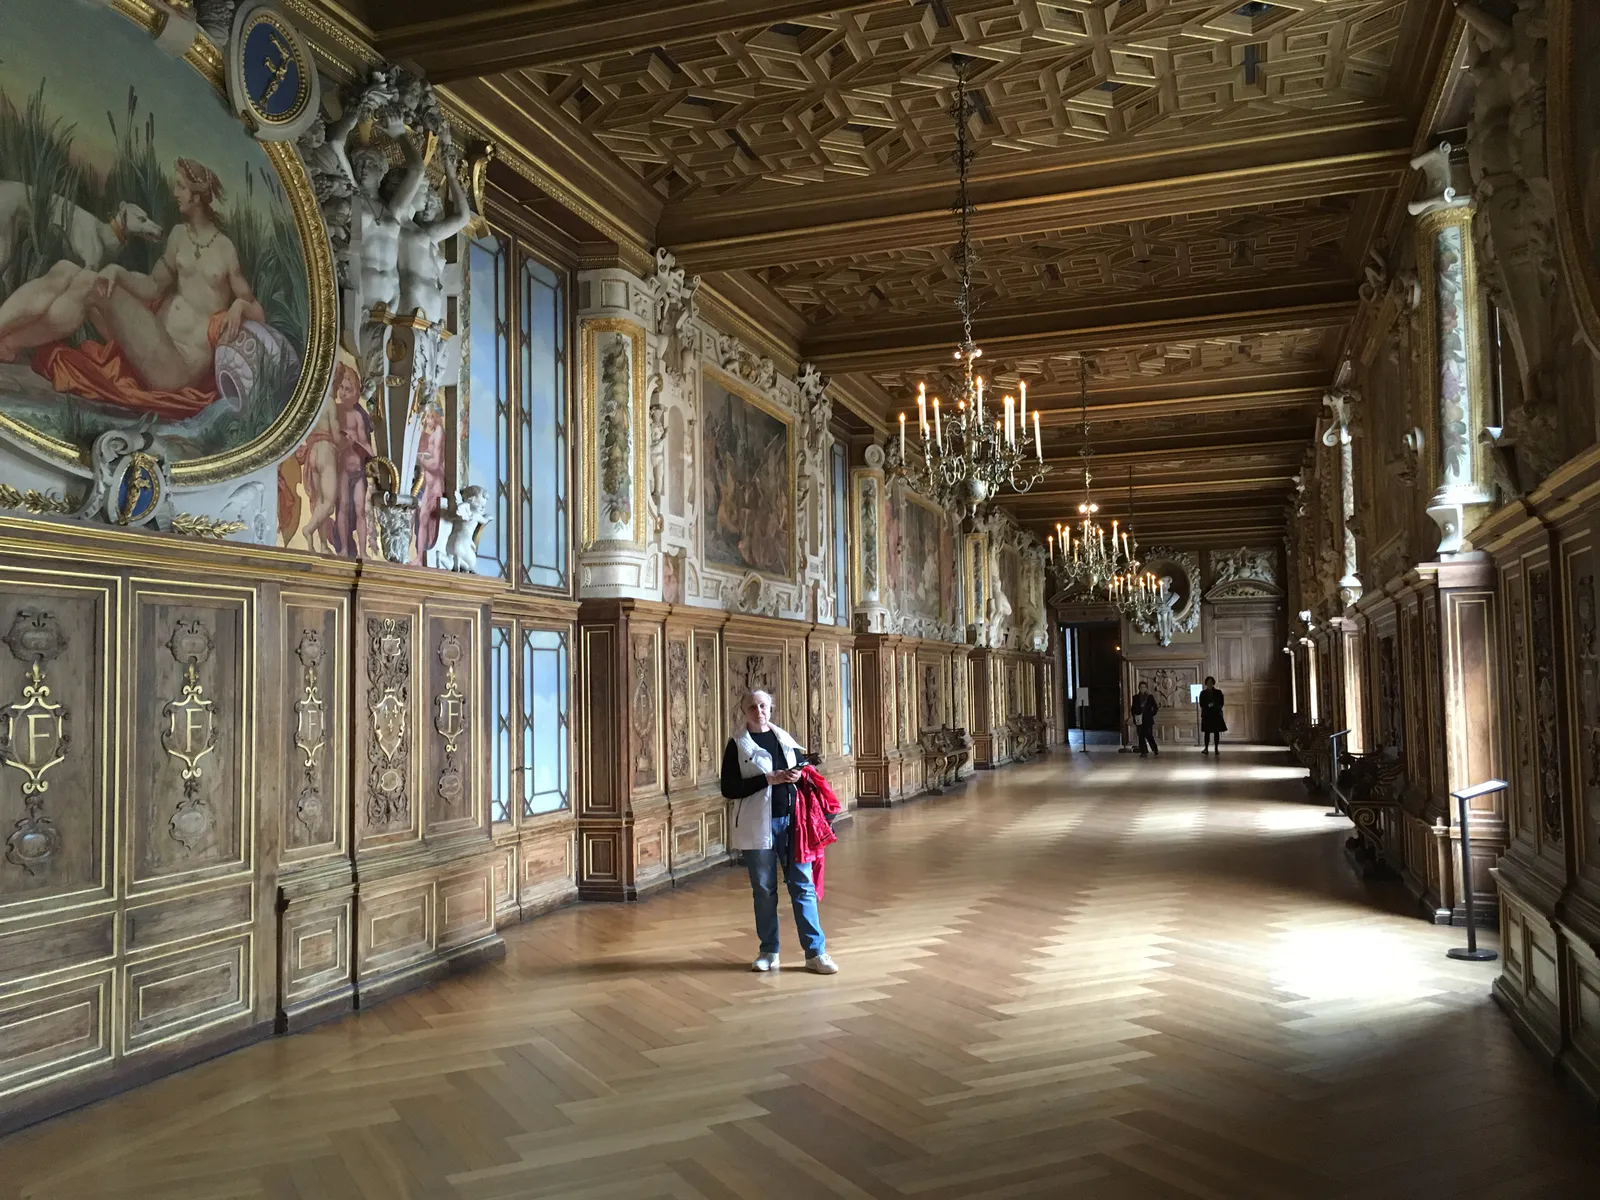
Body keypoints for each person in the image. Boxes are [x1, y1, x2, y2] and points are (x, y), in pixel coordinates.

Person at [720, 689, 838, 975]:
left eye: (763, 706)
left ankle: (815, 952)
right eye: (752, 707)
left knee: (803, 886)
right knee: (763, 889)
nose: (758, 711)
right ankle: (769, 951)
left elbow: (802, 772)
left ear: (770, 708)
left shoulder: (785, 739)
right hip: (757, 826)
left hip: (793, 823)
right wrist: (767, 779)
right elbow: (729, 788)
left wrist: (797, 775)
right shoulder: (737, 745)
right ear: (744, 711)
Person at [1199, 676, 1227, 755]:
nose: (1210, 684)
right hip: (1207, 715)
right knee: (1206, 733)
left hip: (1216, 715)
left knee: (1216, 732)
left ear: (1213, 683)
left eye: (1211, 682)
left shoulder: (1218, 692)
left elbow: (1221, 703)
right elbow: (1202, 704)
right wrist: (1209, 705)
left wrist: (1215, 706)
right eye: (1208, 682)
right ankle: (1206, 748)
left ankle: (1216, 748)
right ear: (1206, 683)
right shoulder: (1203, 693)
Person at [1131, 681, 1159, 758]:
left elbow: (1155, 707)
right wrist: (1134, 716)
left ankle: (1155, 749)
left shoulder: (1150, 697)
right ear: (1138, 688)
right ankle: (1144, 752)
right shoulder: (1135, 697)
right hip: (1139, 719)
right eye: (1141, 687)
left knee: (1148, 735)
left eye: (1144, 687)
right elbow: (1133, 708)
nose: (1142, 688)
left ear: (1146, 688)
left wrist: (1151, 714)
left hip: (1148, 720)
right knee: (1140, 736)